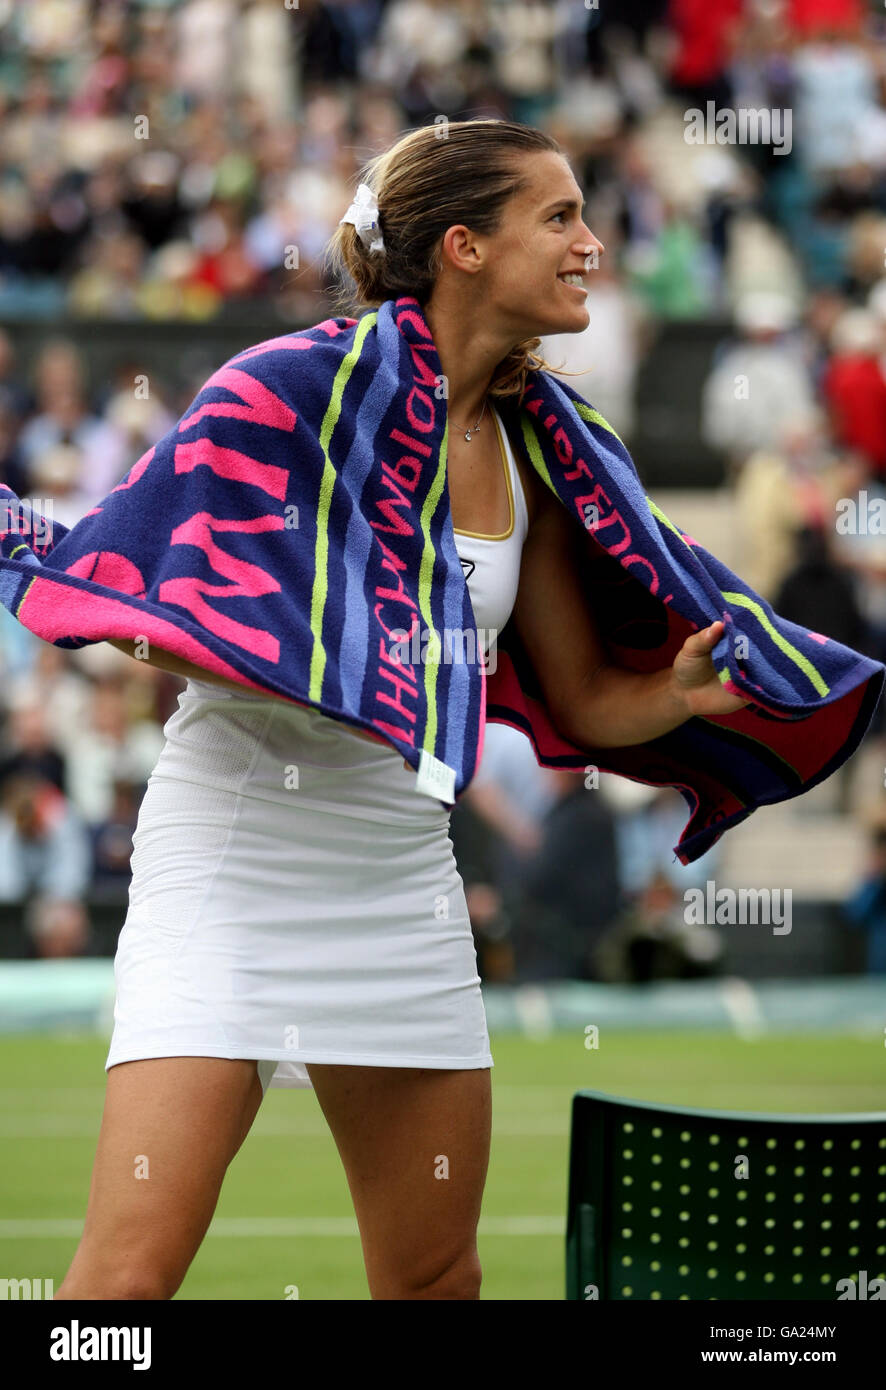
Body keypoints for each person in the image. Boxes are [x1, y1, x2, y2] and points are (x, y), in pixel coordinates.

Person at [52, 120, 746, 1302]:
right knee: (124, 1281)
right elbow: (133, 594)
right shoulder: (275, 391)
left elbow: (583, 699)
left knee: (434, 1278)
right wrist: (237, 641)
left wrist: (680, 694)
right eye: (560, 218)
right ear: (465, 246)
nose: (591, 244)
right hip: (232, 860)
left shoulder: (546, 450)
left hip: (399, 882)